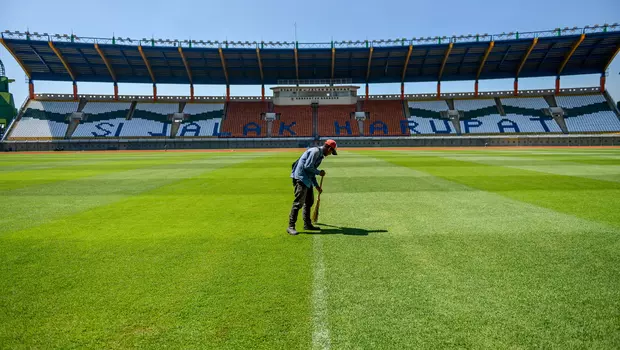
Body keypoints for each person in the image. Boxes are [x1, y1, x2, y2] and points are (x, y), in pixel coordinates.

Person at [287, 139, 337, 235]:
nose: (331, 154)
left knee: (309, 202)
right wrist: (319, 172)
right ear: (329, 148)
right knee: (298, 203)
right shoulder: (315, 152)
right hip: (301, 178)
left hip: (307, 179)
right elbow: (308, 167)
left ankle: (307, 224)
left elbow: (311, 171)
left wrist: (316, 185)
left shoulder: (320, 155)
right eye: (331, 152)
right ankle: (291, 226)